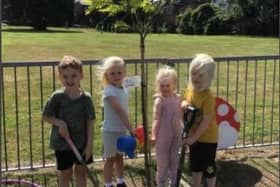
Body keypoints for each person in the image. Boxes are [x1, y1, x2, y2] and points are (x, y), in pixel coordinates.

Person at [42, 55, 95, 187]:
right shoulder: (57, 97)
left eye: (73, 76)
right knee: (65, 174)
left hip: (81, 144)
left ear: (81, 76)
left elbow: (90, 123)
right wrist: (60, 123)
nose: (69, 80)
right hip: (62, 144)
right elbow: (45, 116)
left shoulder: (86, 99)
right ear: (60, 77)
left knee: (81, 173)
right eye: (65, 76)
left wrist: (89, 146)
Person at [182, 53, 218, 187]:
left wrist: (193, 138)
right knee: (195, 166)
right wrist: (184, 104)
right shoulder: (190, 90)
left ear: (208, 78)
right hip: (193, 136)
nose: (195, 78)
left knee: (208, 167)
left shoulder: (207, 97)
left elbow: (206, 122)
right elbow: (185, 100)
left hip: (207, 138)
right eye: (193, 74)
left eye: (200, 75)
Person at [100, 56, 134, 187]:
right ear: (107, 75)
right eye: (112, 73)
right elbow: (119, 110)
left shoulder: (123, 88)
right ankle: (108, 184)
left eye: (119, 72)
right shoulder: (109, 90)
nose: (116, 76)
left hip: (121, 130)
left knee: (120, 157)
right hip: (110, 131)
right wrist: (130, 127)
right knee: (110, 159)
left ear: (124, 73)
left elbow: (134, 82)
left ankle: (120, 181)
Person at [151, 66, 183, 187]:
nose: (164, 88)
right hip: (163, 137)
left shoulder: (178, 98)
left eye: (167, 86)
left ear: (174, 85)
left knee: (174, 161)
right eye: (162, 86)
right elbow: (156, 119)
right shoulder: (159, 101)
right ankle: (161, 183)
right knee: (163, 163)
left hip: (176, 135)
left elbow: (181, 114)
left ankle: (174, 183)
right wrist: (154, 135)